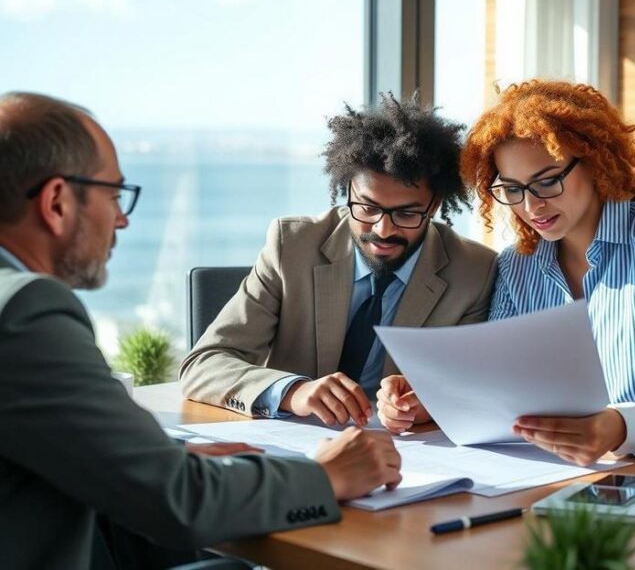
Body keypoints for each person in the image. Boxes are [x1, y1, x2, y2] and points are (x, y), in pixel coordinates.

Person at [0, 91, 402, 569]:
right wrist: (327, 475)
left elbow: (51, 435)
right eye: (114, 194)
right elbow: (180, 502)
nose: (123, 219)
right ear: (57, 202)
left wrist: (163, 455)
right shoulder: (26, 312)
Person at [381, 80, 635, 464]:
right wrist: (434, 401)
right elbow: (501, 388)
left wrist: (617, 428)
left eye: (547, 181)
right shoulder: (517, 266)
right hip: (563, 478)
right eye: (513, 189)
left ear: (595, 161)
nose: (531, 205)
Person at [180, 93, 497, 430]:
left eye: (406, 213)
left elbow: (471, 387)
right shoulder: (292, 246)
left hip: (402, 454)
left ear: (433, 207)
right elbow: (204, 364)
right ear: (347, 190)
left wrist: (427, 404)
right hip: (294, 450)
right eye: (368, 208)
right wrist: (294, 392)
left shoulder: (474, 272)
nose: (382, 230)